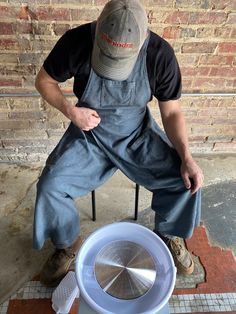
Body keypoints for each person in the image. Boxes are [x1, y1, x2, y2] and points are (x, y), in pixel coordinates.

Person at [34, 0, 203, 287]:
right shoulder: (76, 42)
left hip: (135, 134)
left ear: (140, 44)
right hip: (90, 134)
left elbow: (171, 111)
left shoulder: (159, 55)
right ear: (98, 32)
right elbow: (44, 81)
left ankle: (169, 235)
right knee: (50, 184)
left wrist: (187, 156)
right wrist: (70, 111)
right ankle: (66, 244)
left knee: (186, 181)